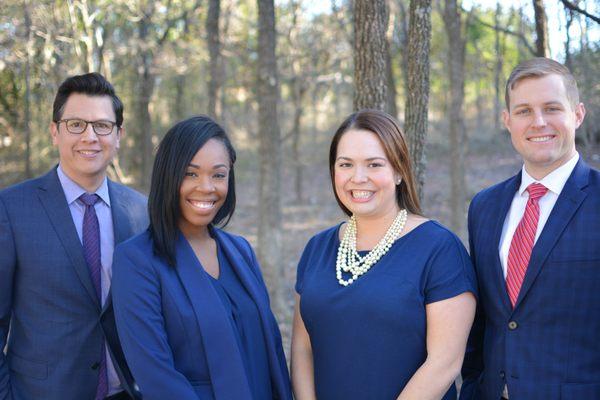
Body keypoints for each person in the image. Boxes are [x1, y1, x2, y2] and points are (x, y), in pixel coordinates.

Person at [291, 109, 477, 400]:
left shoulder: (439, 249)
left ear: (399, 171)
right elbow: (302, 348)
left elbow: (444, 363)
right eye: (346, 164)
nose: (358, 177)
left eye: (374, 164)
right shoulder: (317, 248)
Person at [111, 116, 292, 400]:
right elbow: (156, 376)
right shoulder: (137, 261)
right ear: (168, 176)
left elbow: (271, 352)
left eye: (218, 175)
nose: (207, 187)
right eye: (191, 174)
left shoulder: (241, 252)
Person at [0, 73, 147, 400]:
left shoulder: (141, 211)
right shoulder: (10, 209)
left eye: (103, 126)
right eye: (76, 124)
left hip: (127, 392)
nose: (90, 136)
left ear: (119, 135)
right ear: (55, 131)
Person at [460, 58, 599, 400]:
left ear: (577, 114)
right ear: (508, 121)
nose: (538, 122)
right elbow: (484, 322)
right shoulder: (485, 207)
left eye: (552, 108)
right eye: (524, 111)